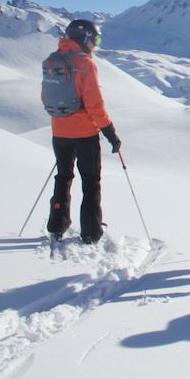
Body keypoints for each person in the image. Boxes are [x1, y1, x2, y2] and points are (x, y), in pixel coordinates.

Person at [45, 19, 121, 244]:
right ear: (84, 37)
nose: (95, 45)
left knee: (63, 177)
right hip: (85, 134)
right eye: (95, 40)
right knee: (90, 181)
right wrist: (110, 133)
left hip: (59, 132)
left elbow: (45, 97)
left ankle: (57, 225)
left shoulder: (52, 60)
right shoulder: (85, 63)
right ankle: (91, 231)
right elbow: (94, 104)